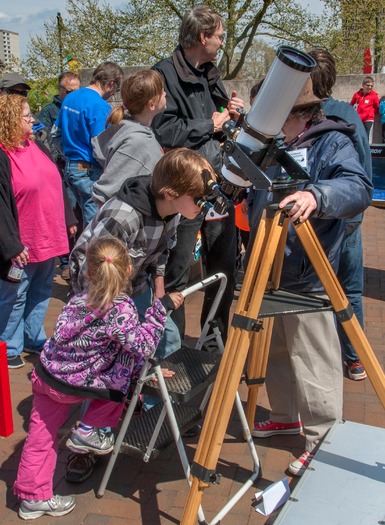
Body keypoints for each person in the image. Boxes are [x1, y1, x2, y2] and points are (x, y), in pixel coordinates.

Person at [65, 147, 216, 482]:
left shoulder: (173, 212)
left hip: (136, 286)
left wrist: (159, 288)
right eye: (200, 199)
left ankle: (159, 412)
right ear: (171, 194)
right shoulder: (122, 217)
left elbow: (162, 250)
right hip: (98, 296)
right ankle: (84, 446)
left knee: (166, 342)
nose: (203, 206)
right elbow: (91, 266)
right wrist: (111, 316)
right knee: (104, 370)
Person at [251, 78, 373, 476]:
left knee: (314, 356)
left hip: (309, 270)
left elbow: (356, 187)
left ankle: (322, 438)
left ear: (297, 115)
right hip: (271, 268)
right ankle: (286, 414)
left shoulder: (331, 141)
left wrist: (316, 196)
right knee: (279, 351)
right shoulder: (276, 142)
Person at [13, 236, 183, 520]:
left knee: (40, 437)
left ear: (89, 272)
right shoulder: (121, 308)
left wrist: (147, 369)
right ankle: (89, 430)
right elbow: (140, 345)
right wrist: (160, 310)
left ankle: (33, 498)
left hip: (47, 376)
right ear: (129, 269)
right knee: (122, 379)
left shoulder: (80, 298)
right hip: (79, 384)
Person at [152, 5, 244, 344]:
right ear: (202, 36)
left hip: (218, 184)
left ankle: (212, 340)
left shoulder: (210, 72)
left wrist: (232, 112)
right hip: (183, 190)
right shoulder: (163, 75)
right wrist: (212, 123)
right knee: (177, 272)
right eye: (219, 36)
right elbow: (164, 130)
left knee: (223, 269)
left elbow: (221, 115)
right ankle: (171, 346)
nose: (222, 42)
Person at [0, 95, 77, 369]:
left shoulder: (37, 145)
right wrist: (11, 246)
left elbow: (58, 182)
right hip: (21, 243)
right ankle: (9, 346)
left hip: (48, 235)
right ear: (9, 120)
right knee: (14, 295)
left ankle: (33, 338)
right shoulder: (2, 155)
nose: (32, 119)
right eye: (26, 116)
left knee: (41, 290)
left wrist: (67, 217)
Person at [309, 48, 371, 380]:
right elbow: (364, 169)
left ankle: (328, 360)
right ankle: (355, 358)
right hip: (347, 217)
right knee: (351, 291)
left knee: (318, 291)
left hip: (318, 220)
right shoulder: (349, 115)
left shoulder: (305, 115)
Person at [54, 61, 123, 226]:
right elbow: (100, 147)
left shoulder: (70, 97)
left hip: (71, 167)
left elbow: (56, 133)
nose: (113, 95)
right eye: (116, 90)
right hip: (88, 171)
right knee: (95, 225)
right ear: (110, 84)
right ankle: (88, 252)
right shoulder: (100, 106)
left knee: (85, 218)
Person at [91, 69, 165, 206]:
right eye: (161, 92)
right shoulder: (137, 142)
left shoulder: (139, 132)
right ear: (151, 104)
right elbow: (105, 194)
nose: (165, 93)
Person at [37, 71, 81, 281]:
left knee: (79, 217)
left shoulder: (80, 106)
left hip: (80, 170)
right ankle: (65, 261)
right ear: (60, 90)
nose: (74, 94)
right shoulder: (48, 111)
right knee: (65, 215)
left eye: (77, 90)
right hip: (60, 170)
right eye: (69, 91)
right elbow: (45, 141)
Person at [350, 76, 379, 140]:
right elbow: (351, 104)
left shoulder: (374, 96)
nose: (370, 87)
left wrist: (371, 114)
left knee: (366, 135)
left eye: (371, 86)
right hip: (358, 118)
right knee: (357, 135)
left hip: (368, 119)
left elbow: (377, 107)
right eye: (368, 85)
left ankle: (366, 149)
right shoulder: (357, 94)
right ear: (363, 85)